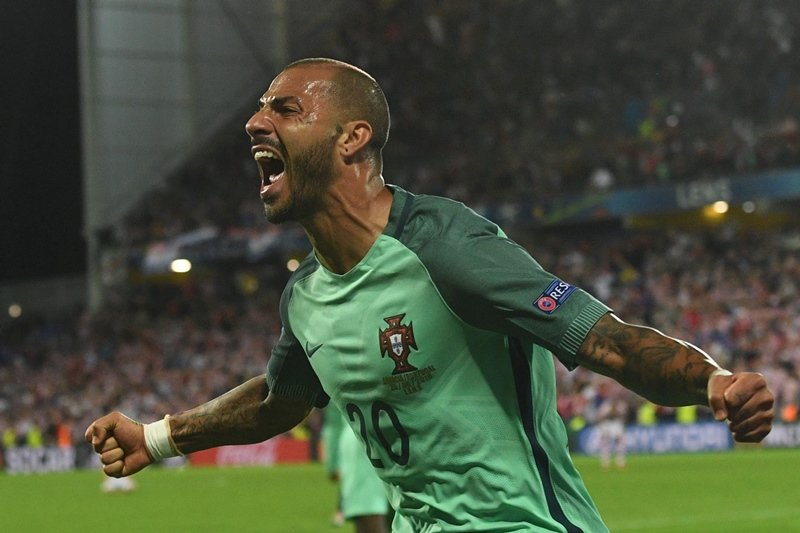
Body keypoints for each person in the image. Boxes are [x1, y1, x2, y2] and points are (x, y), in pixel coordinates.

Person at [86, 58, 774, 532]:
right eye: (260, 108)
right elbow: (278, 399)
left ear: (353, 138)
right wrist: (155, 436)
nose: (255, 123)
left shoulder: (446, 247)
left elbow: (608, 341)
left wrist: (714, 382)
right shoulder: (305, 296)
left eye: (285, 109)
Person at [322, 406, 391, 532]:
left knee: (369, 509)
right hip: (399, 436)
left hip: (361, 437)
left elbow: (334, 423)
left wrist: (333, 464)